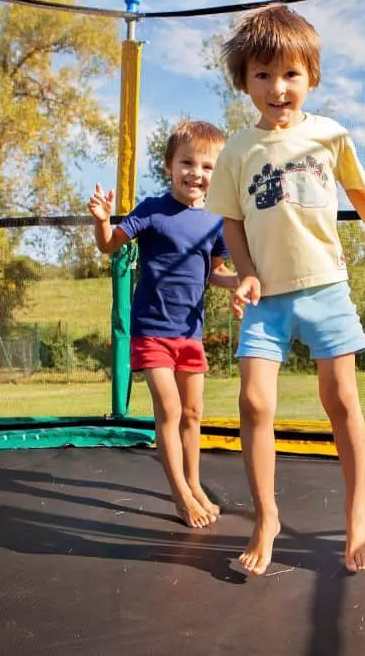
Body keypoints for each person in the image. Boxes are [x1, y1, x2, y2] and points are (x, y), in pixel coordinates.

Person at [205, 3, 365, 575]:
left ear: (311, 77)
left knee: (341, 399)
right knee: (253, 402)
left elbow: (361, 192)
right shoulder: (238, 150)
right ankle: (266, 516)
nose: (278, 87)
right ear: (245, 82)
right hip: (266, 298)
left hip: (325, 288)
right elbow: (232, 223)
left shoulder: (330, 134)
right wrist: (244, 272)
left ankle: (358, 509)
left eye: (290, 74)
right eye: (263, 75)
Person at [89, 120, 239, 529]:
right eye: (187, 163)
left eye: (208, 167)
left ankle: (193, 483)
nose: (197, 173)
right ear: (169, 166)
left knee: (193, 412)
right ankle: (179, 496)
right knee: (169, 409)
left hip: (191, 333)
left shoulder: (215, 221)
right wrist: (103, 219)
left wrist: (241, 283)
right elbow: (109, 245)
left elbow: (216, 272)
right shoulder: (151, 210)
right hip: (152, 330)